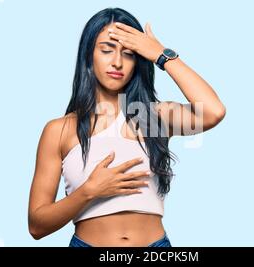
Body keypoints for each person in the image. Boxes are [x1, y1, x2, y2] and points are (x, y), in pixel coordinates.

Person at [28, 7, 226, 247]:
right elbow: (36, 225)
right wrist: (89, 191)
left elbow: (214, 111)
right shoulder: (60, 130)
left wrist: (161, 55)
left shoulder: (151, 118)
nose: (117, 62)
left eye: (129, 53)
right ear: (88, 55)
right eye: (106, 50)